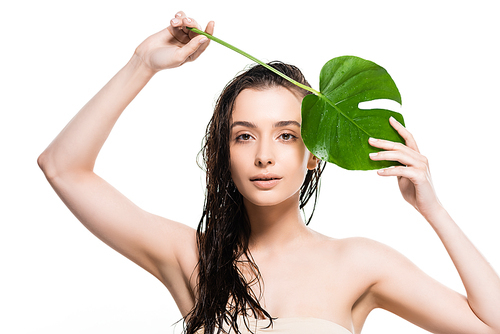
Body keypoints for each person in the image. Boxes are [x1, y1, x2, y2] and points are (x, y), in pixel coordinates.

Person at [37, 11, 500, 334]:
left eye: (286, 135)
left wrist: (431, 208)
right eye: (244, 135)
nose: (263, 155)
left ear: (316, 153)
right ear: (225, 153)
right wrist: (142, 64)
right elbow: (61, 167)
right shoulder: (189, 258)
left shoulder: (360, 263)